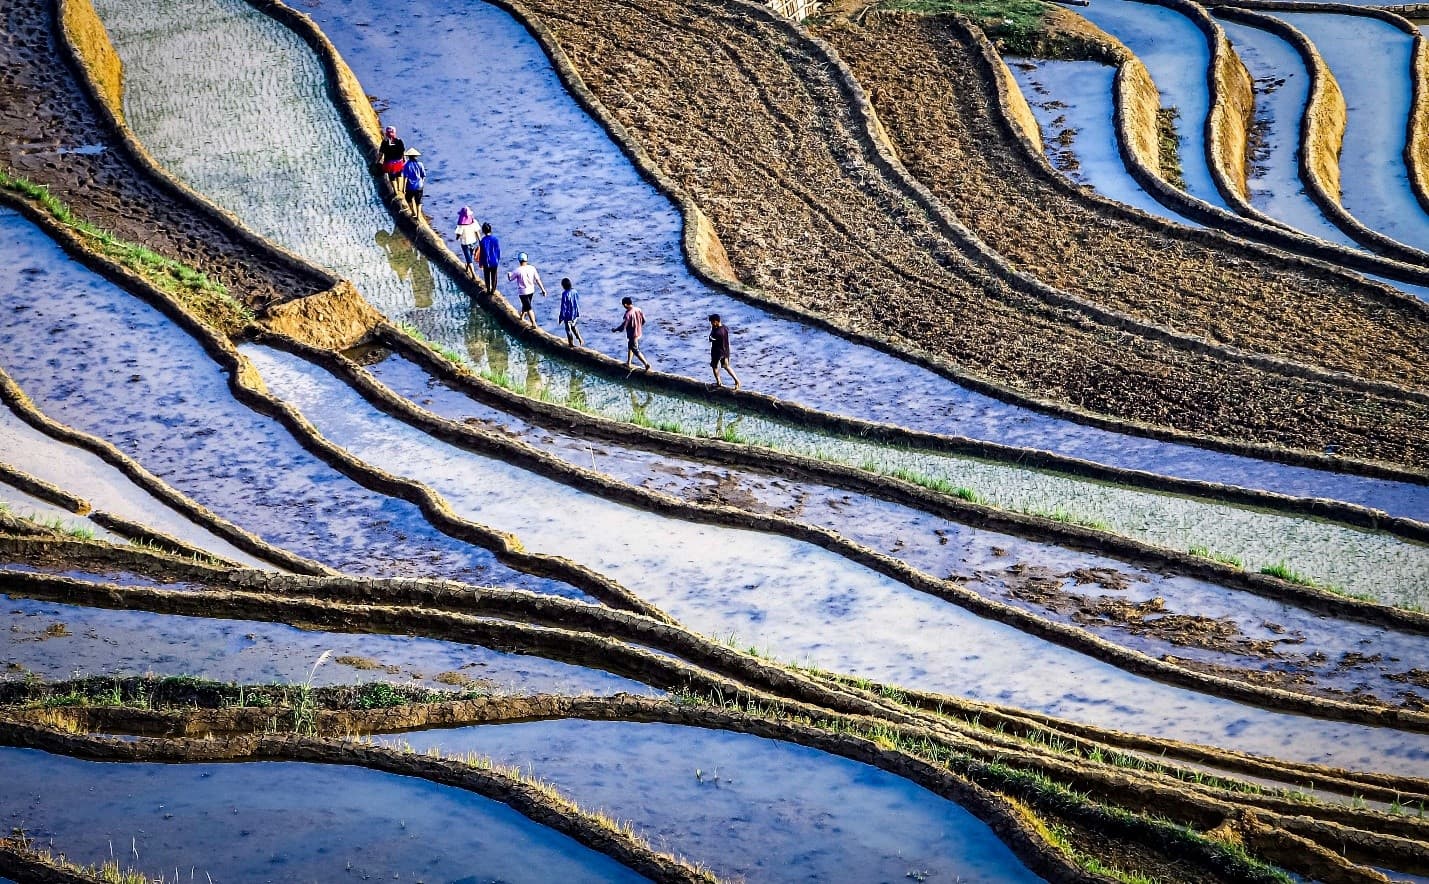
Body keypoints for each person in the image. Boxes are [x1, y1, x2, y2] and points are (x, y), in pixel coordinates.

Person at [506, 252, 548, 326]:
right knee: (526, 304)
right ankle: (522, 316)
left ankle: (533, 323)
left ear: (519, 261)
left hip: (523, 292)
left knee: (528, 308)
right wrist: (543, 289)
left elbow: (510, 278)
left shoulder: (518, 270)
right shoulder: (532, 268)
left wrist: (508, 274)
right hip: (531, 290)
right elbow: (537, 279)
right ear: (526, 260)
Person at [612, 296, 651, 371]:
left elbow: (623, 327)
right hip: (638, 332)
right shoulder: (638, 309)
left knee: (635, 350)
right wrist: (638, 326)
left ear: (625, 304)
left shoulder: (628, 314)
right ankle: (629, 363)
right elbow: (644, 320)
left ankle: (646, 364)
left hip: (633, 334)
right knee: (630, 346)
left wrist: (615, 330)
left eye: (623, 305)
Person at [707, 313, 740, 390]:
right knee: (726, 367)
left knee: (714, 367)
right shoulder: (725, 328)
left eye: (712, 322)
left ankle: (719, 382)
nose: (711, 324)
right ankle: (737, 381)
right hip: (725, 351)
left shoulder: (717, 332)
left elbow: (710, 339)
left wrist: (712, 332)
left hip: (717, 352)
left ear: (716, 321)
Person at [378, 126, 406, 194]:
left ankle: (395, 191)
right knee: (399, 174)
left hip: (389, 164)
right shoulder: (399, 141)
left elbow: (381, 154)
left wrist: (377, 161)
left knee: (391, 177)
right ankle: (399, 189)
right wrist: (404, 159)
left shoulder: (384, 142)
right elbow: (403, 152)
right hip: (399, 163)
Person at [454, 206, 480, 277]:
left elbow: (458, 234)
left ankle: (473, 274)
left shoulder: (461, 225)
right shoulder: (474, 222)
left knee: (468, 258)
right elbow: (477, 232)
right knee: (469, 256)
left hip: (465, 243)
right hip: (473, 242)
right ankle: (467, 268)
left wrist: (457, 238)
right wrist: (480, 241)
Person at [557, 277, 584, 347]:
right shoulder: (574, 291)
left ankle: (571, 344)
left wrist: (561, 317)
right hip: (575, 313)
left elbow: (563, 307)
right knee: (574, 326)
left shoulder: (564, 294)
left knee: (568, 330)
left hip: (568, 315)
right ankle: (579, 338)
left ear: (563, 286)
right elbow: (577, 300)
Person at [477, 223, 501, 296]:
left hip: (486, 262)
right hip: (494, 261)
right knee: (494, 276)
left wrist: (480, 263)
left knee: (487, 276)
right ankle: (493, 290)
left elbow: (482, 253)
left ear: (483, 231)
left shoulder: (483, 241)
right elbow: (498, 251)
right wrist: (497, 259)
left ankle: (488, 290)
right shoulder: (495, 239)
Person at [401, 148, 426, 214]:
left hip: (410, 186)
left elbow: (405, 177)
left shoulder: (406, 165)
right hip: (419, 186)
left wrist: (403, 188)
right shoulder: (420, 164)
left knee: (408, 199)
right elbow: (423, 176)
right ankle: (418, 215)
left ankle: (413, 212)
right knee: (419, 202)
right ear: (416, 156)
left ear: (408, 156)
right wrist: (422, 183)